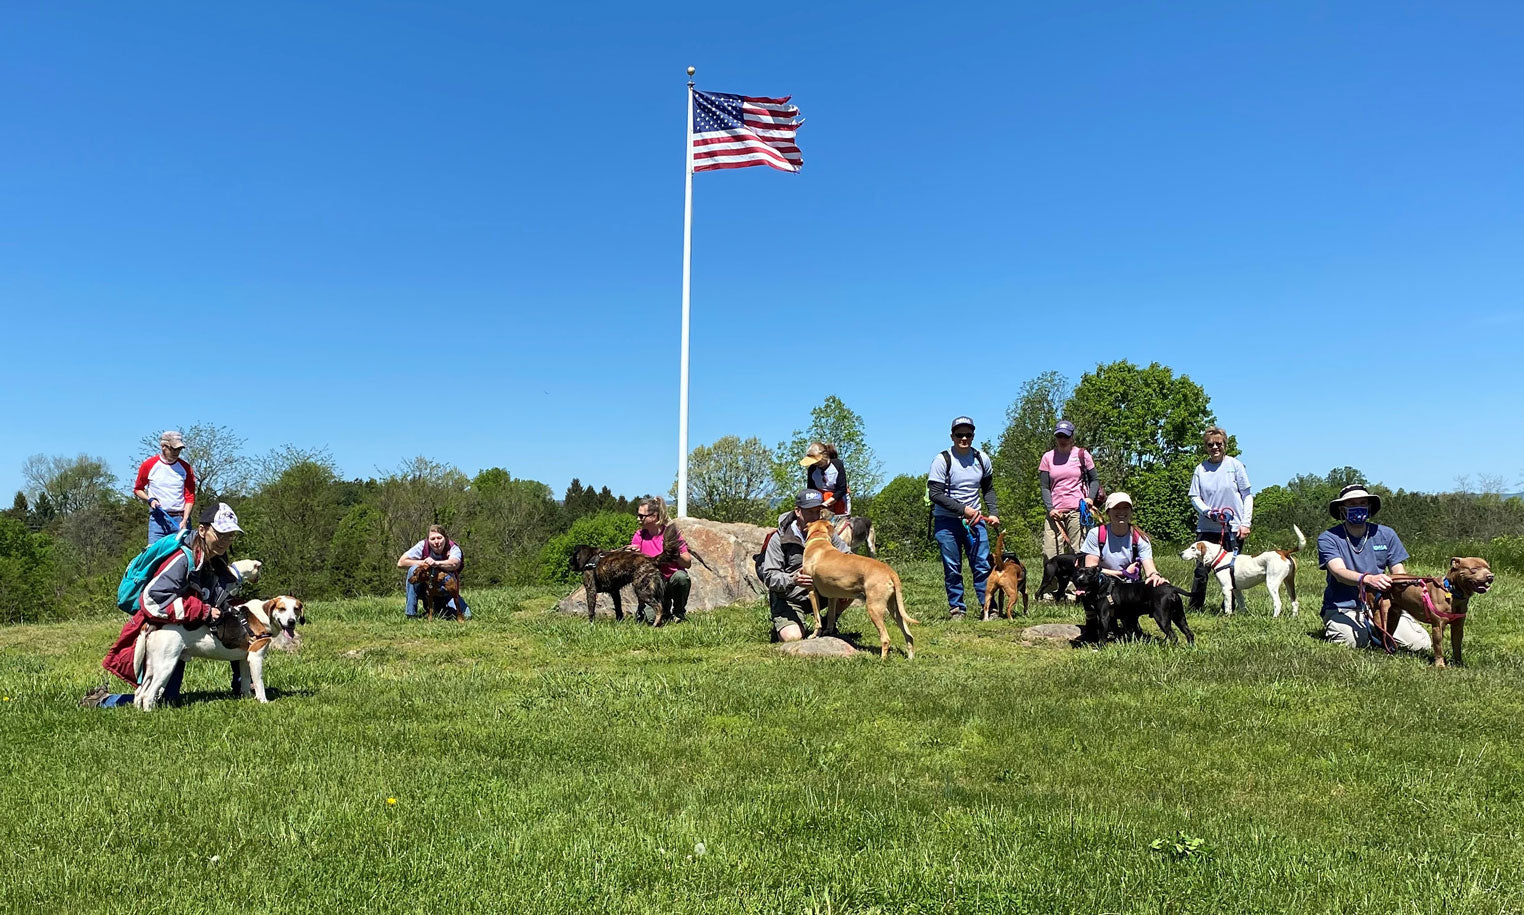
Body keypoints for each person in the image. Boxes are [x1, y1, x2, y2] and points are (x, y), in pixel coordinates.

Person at [85, 502, 244, 708]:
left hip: (187, 626)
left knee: (241, 627)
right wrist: (202, 610)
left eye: (231, 535)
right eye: (221, 533)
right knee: (164, 700)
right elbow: (152, 599)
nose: (225, 540)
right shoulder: (182, 559)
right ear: (203, 530)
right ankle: (105, 701)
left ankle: (243, 688)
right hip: (162, 629)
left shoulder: (216, 559)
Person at [1317, 484, 1431, 652]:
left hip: (1383, 603)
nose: (1358, 507)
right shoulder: (1329, 538)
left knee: (1421, 645)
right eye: (1352, 504)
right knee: (1352, 643)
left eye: (1363, 502)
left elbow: (1399, 572)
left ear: (1369, 507)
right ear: (1342, 508)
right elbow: (1339, 572)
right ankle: (1362, 629)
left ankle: (1380, 627)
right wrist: (1368, 579)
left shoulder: (1386, 534)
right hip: (1343, 606)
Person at [927, 416, 1000, 620]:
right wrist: (962, 510)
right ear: (952, 436)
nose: (964, 438)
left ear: (973, 435)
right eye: (959, 434)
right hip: (947, 522)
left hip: (976, 521)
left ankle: (988, 607)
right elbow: (935, 494)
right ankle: (957, 609)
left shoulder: (981, 458)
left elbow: (988, 489)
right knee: (952, 568)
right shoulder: (942, 460)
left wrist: (992, 511)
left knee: (982, 565)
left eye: (968, 434)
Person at [759, 489, 850, 642]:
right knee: (793, 637)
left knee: (854, 582)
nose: (815, 517)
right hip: (790, 597)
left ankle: (829, 623)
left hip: (821, 593)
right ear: (798, 511)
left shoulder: (825, 532)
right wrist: (793, 579)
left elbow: (848, 557)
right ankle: (784, 622)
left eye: (818, 512)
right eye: (810, 512)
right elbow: (769, 576)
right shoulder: (779, 538)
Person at [1187, 426, 1253, 610]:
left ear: (1225, 444)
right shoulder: (1200, 469)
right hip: (1207, 529)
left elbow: (1247, 495)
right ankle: (1194, 607)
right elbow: (1194, 496)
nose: (1215, 448)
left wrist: (1245, 523)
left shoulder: (1235, 466)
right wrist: (1208, 512)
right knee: (1201, 571)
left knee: (1232, 570)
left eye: (1219, 444)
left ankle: (1232, 608)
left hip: (1233, 528)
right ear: (1205, 447)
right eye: (1210, 445)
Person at [1038, 420, 1098, 599]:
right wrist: (1050, 508)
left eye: (1065, 436)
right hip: (1055, 511)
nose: (1062, 439)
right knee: (1050, 553)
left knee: (1077, 553)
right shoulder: (1048, 457)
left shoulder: (1082, 455)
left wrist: (1090, 498)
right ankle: (1049, 590)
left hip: (1077, 510)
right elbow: (1044, 487)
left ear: (1072, 436)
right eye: (1059, 436)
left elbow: (1094, 480)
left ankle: (1075, 591)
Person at [1080, 493, 1168, 585]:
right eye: (1116, 508)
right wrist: (1123, 573)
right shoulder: (1096, 534)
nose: (1121, 511)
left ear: (1131, 511)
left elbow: (1150, 568)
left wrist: (1155, 576)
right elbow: (1090, 569)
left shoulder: (1140, 538)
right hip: (1101, 585)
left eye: (1125, 508)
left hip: (1129, 588)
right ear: (1108, 512)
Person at [629, 495, 693, 623]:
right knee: (648, 620)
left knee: (681, 577)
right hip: (652, 586)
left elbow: (687, 563)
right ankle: (663, 609)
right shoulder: (639, 536)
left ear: (654, 516)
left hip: (670, 582)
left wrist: (674, 553)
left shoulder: (671, 534)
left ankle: (678, 613)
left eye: (642, 516)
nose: (638, 519)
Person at [133, 430, 196, 545]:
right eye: (173, 449)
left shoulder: (186, 468)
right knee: (154, 555)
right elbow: (138, 489)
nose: (177, 452)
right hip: (158, 519)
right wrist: (150, 499)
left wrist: (185, 519)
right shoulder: (149, 465)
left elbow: (190, 497)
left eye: (179, 449)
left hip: (181, 519)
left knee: (185, 555)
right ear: (163, 447)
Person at [398, 525, 471, 620]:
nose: (436, 542)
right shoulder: (422, 545)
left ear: (445, 538)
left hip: (446, 589)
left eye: (439, 538)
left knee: (467, 616)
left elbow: (454, 564)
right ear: (428, 539)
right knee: (413, 570)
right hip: (426, 588)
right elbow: (401, 562)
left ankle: (439, 610)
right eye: (432, 539)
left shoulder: (453, 548)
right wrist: (423, 563)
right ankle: (411, 614)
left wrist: (436, 563)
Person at [798, 442, 850, 516]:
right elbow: (811, 490)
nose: (816, 464)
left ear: (824, 456)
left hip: (840, 500)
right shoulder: (812, 469)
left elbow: (842, 489)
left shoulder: (837, 464)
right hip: (820, 501)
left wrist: (826, 503)